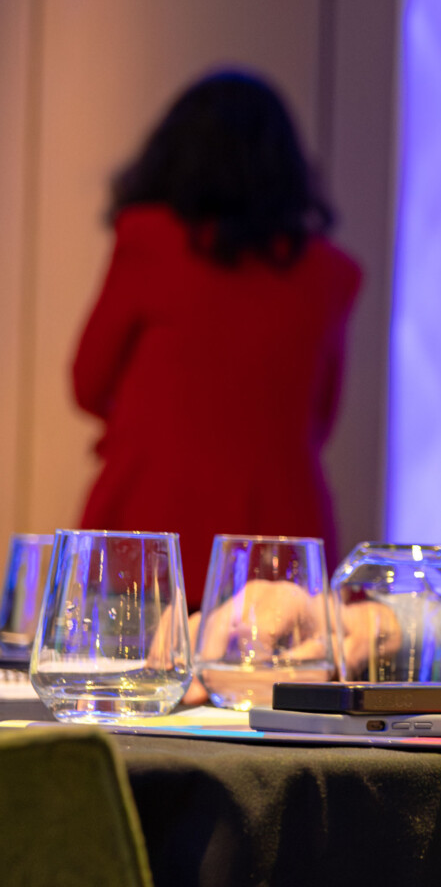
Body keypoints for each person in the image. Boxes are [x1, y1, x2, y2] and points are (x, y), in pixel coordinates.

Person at [73, 70, 363, 584]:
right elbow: (321, 415)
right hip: (280, 533)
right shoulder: (330, 274)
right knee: (280, 661)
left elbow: (89, 383)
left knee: (126, 661)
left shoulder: (148, 243)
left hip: (150, 520)